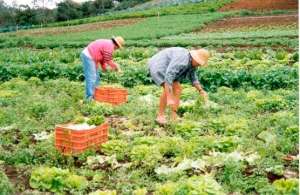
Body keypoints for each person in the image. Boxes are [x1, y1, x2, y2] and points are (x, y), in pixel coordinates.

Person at [148, 47, 210, 124]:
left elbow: (193, 78)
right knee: (171, 89)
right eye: (199, 63)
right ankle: (160, 116)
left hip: (167, 67)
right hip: (159, 66)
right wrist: (170, 97)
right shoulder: (182, 61)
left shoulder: (192, 63)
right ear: (195, 58)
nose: (199, 65)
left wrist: (201, 91)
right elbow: (169, 77)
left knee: (177, 89)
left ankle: (173, 115)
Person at [80, 36, 124, 100]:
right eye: (118, 47)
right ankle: (89, 99)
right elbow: (108, 60)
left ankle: (95, 96)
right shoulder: (110, 46)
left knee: (97, 78)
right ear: (116, 45)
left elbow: (103, 60)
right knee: (91, 78)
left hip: (92, 58)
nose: (116, 49)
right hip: (88, 56)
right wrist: (117, 67)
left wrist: (104, 69)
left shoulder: (108, 44)